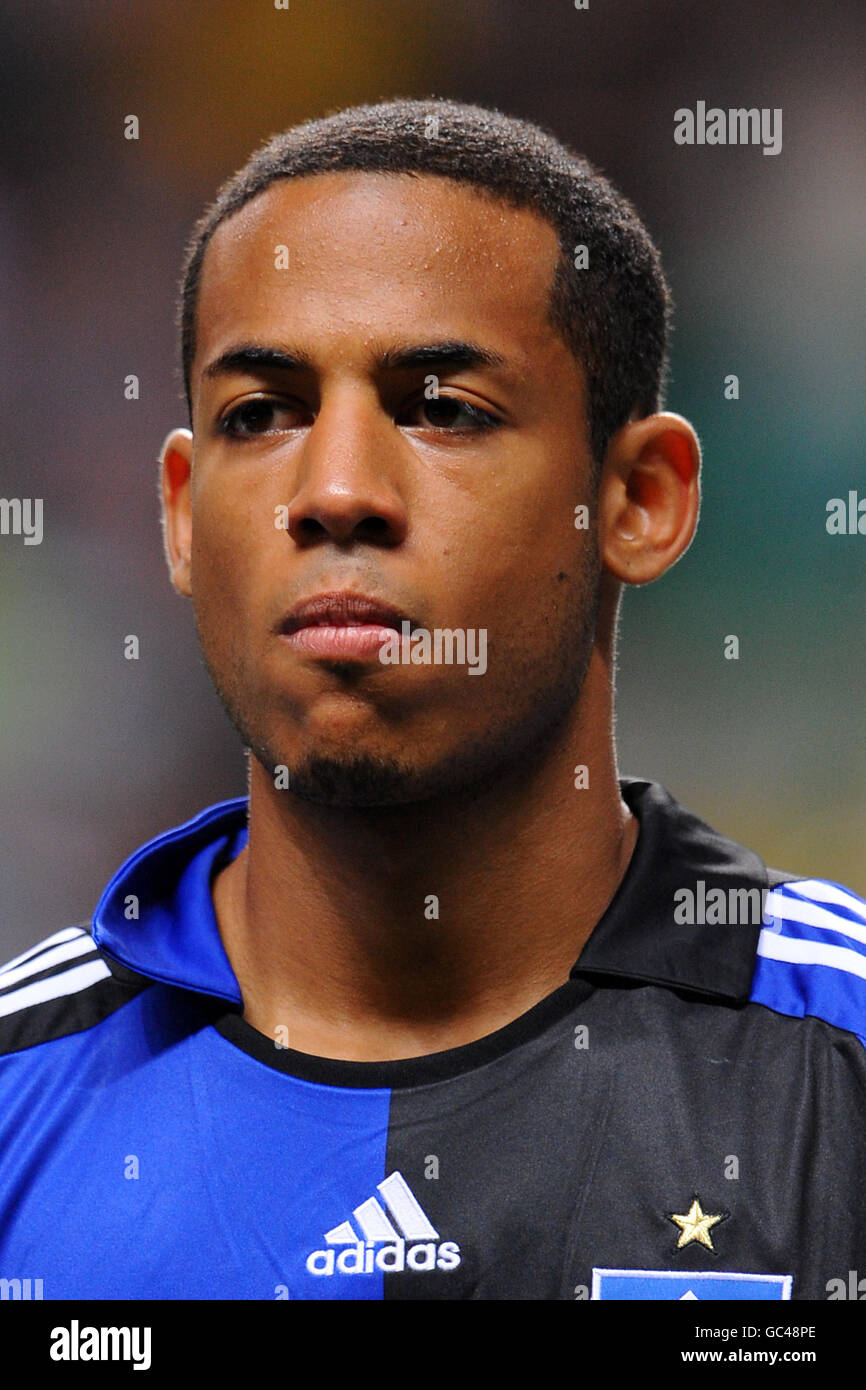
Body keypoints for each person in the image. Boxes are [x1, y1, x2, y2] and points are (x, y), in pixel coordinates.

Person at [1, 98, 863, 1302]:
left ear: (639, 498)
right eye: (262, 415)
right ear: (184, 515)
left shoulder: (839, 1060)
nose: (336, 490)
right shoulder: (17, 1093)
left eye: (441, 408)